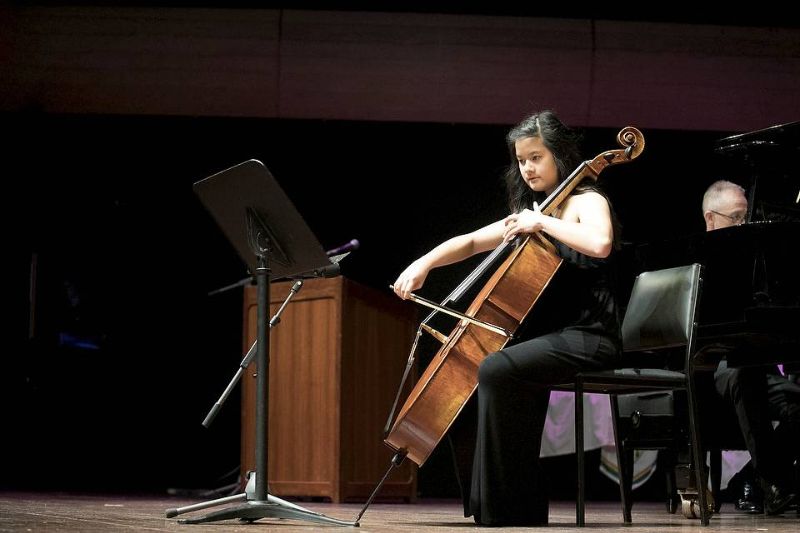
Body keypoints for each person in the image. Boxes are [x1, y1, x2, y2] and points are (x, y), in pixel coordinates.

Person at [393, 110, 622, 526]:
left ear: (559, 155)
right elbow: (469, 242)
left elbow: (601, 243)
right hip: (553, 338)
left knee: (496, 367)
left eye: (536, 156)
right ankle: (494, 504)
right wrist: (423, 262)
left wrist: (542, 222)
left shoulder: (588, 200)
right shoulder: (536, 212)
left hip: (592, 336)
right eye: (521, 160)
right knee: (473, 373)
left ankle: (511, 507)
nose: (528, 167)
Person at [701, 179, 799, 515]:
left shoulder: (759, 260)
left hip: (760, 362)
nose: (746, 226)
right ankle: (775, 484)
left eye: (748, 218)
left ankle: (753, 477)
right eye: (738, 218)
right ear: (711, 219)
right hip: (715, 364)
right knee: (745, 375)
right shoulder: (696, 261)